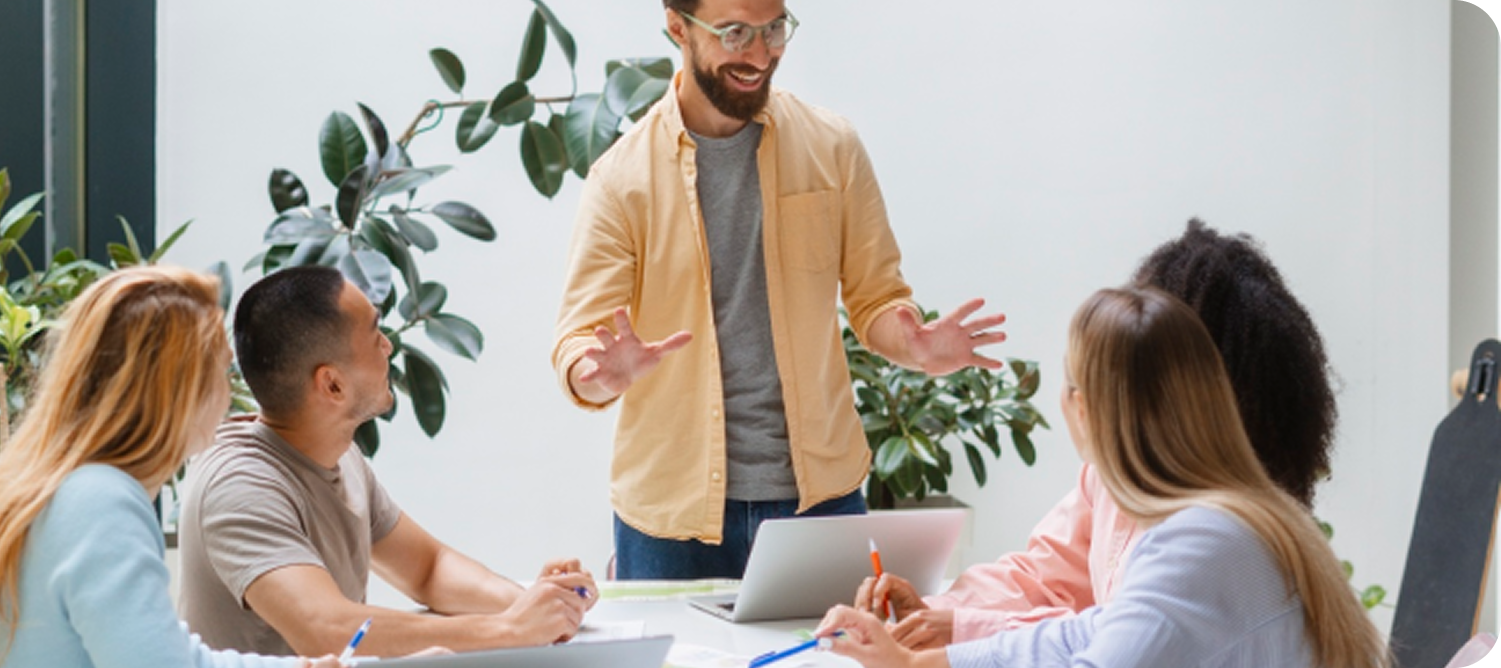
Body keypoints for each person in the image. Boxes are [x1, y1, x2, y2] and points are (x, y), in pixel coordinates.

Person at [551, 0, 1007, 580]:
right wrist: (598, 374)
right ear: (677, 26)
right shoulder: (620, 179)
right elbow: (576, 341)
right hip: (671, 516)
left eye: (773, 29)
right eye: (735, 33)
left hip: (821, 499)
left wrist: (914, 345)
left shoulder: (832, 146)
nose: (761, 55)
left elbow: (876, 297)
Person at [817, 287, 1389, 667]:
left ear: (1084, 408)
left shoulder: (1199, 545)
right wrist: (938, 649)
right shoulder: (1237, 517)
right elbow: (1090, 631)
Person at [855, 220, 1340, 647]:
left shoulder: (1209, 535)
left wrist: (955, 632)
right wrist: (937, 614)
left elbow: (1109, 638)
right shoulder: (1111, 478)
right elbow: (1042, 578)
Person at [0, 266, 383, 668]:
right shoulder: (100, 501)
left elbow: (172, 655)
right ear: (177, 388)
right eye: (220, 365)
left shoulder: (66, 488)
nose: (231, 384)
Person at [177, 266, 595, 657]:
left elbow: (429, 569)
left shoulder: (339, 455)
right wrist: (509, 631)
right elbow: (326, 628)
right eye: (375, 333)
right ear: (332, 384)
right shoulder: (240, 485)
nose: (389, 344)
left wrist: (544, 604)